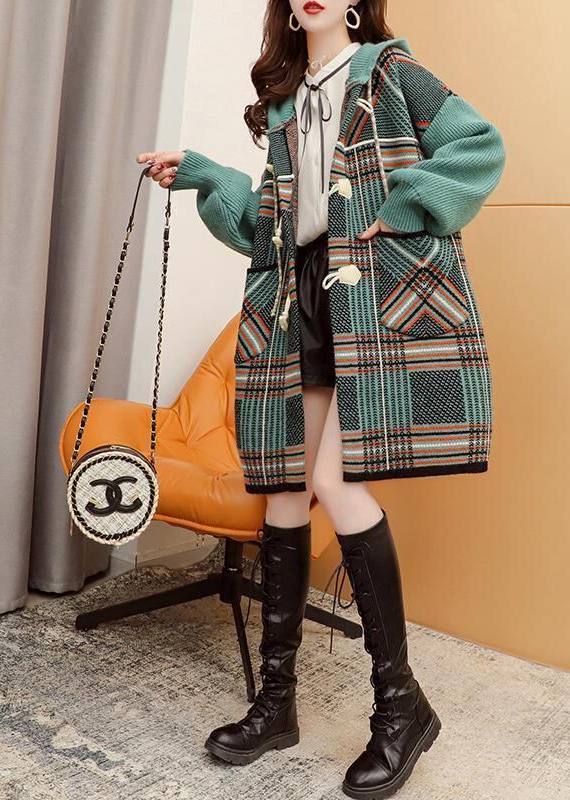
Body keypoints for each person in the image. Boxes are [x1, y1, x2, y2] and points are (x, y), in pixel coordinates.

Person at [138, 1, 505, 797]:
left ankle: (401, 706)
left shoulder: (393, 74)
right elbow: (275, 226)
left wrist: (398, 207)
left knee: (336, 482)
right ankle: (277, 703)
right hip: (297, 296)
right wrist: (207, 173)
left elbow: (480, 147)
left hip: (367, 291)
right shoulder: (284, 101)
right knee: (284, 492)